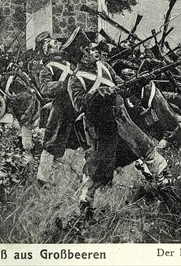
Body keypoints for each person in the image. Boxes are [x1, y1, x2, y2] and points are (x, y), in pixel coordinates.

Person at [66, 28, 168, 217]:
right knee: (98, 167)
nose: (94, 51)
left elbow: (123, 88)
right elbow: (78, 105)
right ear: (82, 55)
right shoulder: (75, 79)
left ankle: (165, 185)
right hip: (100, 127)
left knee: (145, 147)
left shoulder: (105, 66)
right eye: (89, 49)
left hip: (122, 120)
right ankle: (85, 203)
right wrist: (96, 95)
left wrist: (138, 82)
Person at [35, 31, 82, 185]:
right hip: (60, 108)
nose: (57, 43)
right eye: (53, 43)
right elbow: (45, 88)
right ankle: (43, 179)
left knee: (71, 143)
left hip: (74, 107)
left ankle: (59, 179)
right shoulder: (49, 67)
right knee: (51, 143)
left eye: (56, 41)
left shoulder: (70, 64)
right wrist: (65, 84)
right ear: (48, 50)